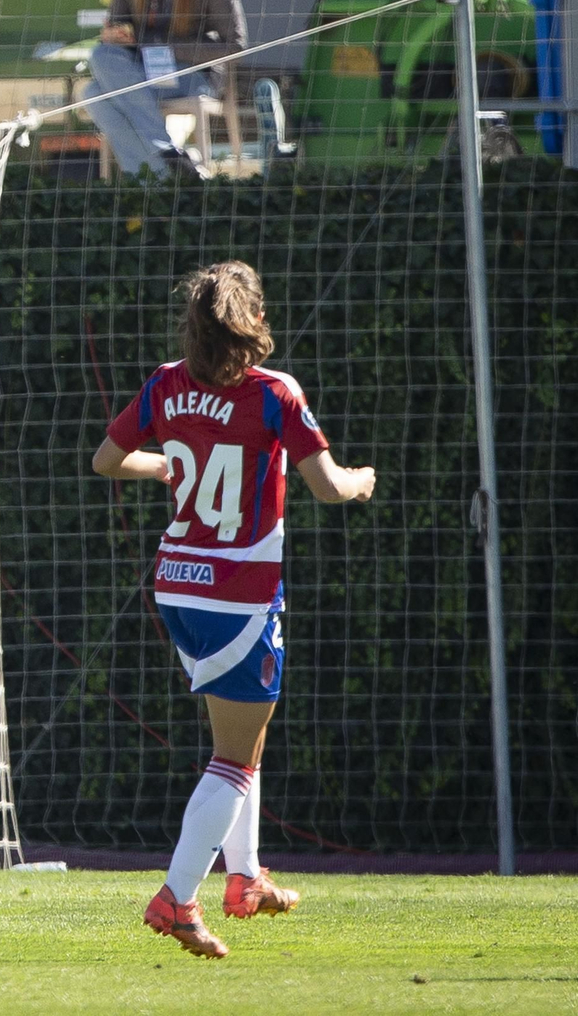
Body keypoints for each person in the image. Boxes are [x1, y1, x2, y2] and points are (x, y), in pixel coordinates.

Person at [91, 261, 376, 958]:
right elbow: (329, 486)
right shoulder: (274, 393)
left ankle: (245, 878)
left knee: (246, 739)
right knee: (232, 757)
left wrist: (161, 465)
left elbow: (105, 459)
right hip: (237, 594)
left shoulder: (166, 382)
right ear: (251, 321)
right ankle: (176, 897)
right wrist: (362, 479)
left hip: (177, 585)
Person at [85, 0, 247, 179]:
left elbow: (235, 46)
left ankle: (152, 176)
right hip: (144, 71)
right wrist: (115, 34)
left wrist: (161, 45)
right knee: (102, 56)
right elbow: (118, 20)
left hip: (193, 73)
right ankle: (169, 163)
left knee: (95, 94)